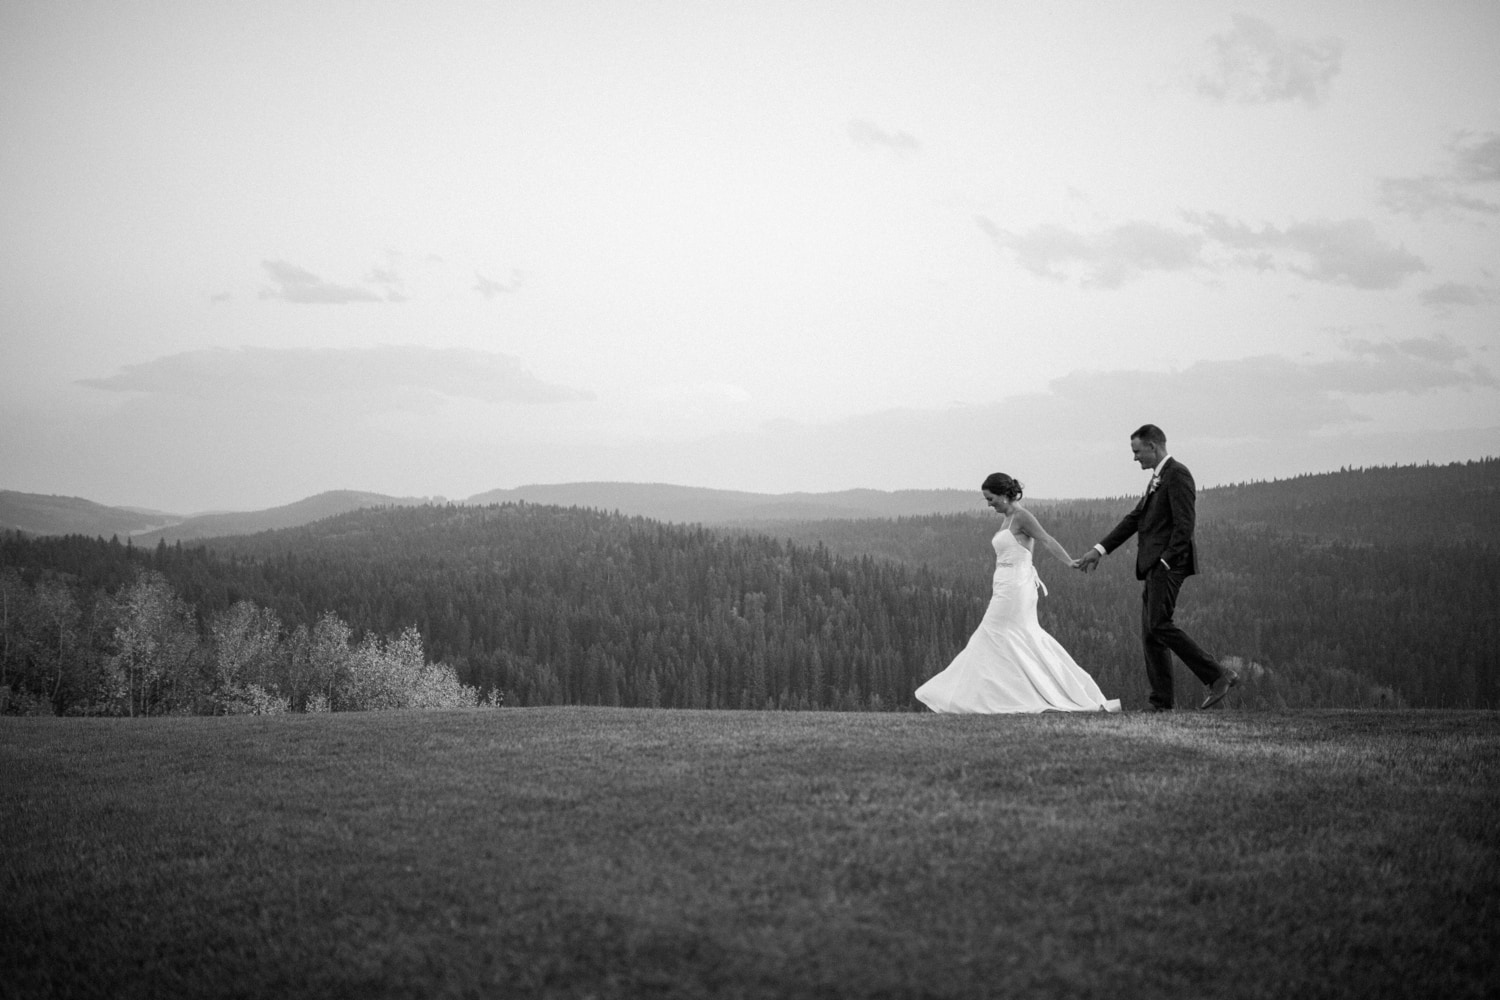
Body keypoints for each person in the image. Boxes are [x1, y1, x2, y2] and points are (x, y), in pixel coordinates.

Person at [915, 472, 1121, 714]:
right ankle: (999, 695)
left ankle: (976, 697)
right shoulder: (1008, 518)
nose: (989, 504)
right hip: (1005, 585)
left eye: (991, 498)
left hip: (1016, 588)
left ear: (1004, 494)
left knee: (992, 634)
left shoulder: (1022, 516)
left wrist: (1069, 562)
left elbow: (1046, 539)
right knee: (1011, 638)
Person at [1075, 424, 1239, 711]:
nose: (1135, 458)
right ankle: (1161, 703)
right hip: (1155, 565)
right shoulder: (1159, 477)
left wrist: (1166, 560)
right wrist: (1099, 550)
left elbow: (1185, 524)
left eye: (1137, 452)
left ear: (1153, 446)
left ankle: (1217, 675)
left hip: (1168, 565)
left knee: (1159, 625)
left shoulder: (1178, 474)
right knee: (1151, 632)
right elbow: (1135, 518)